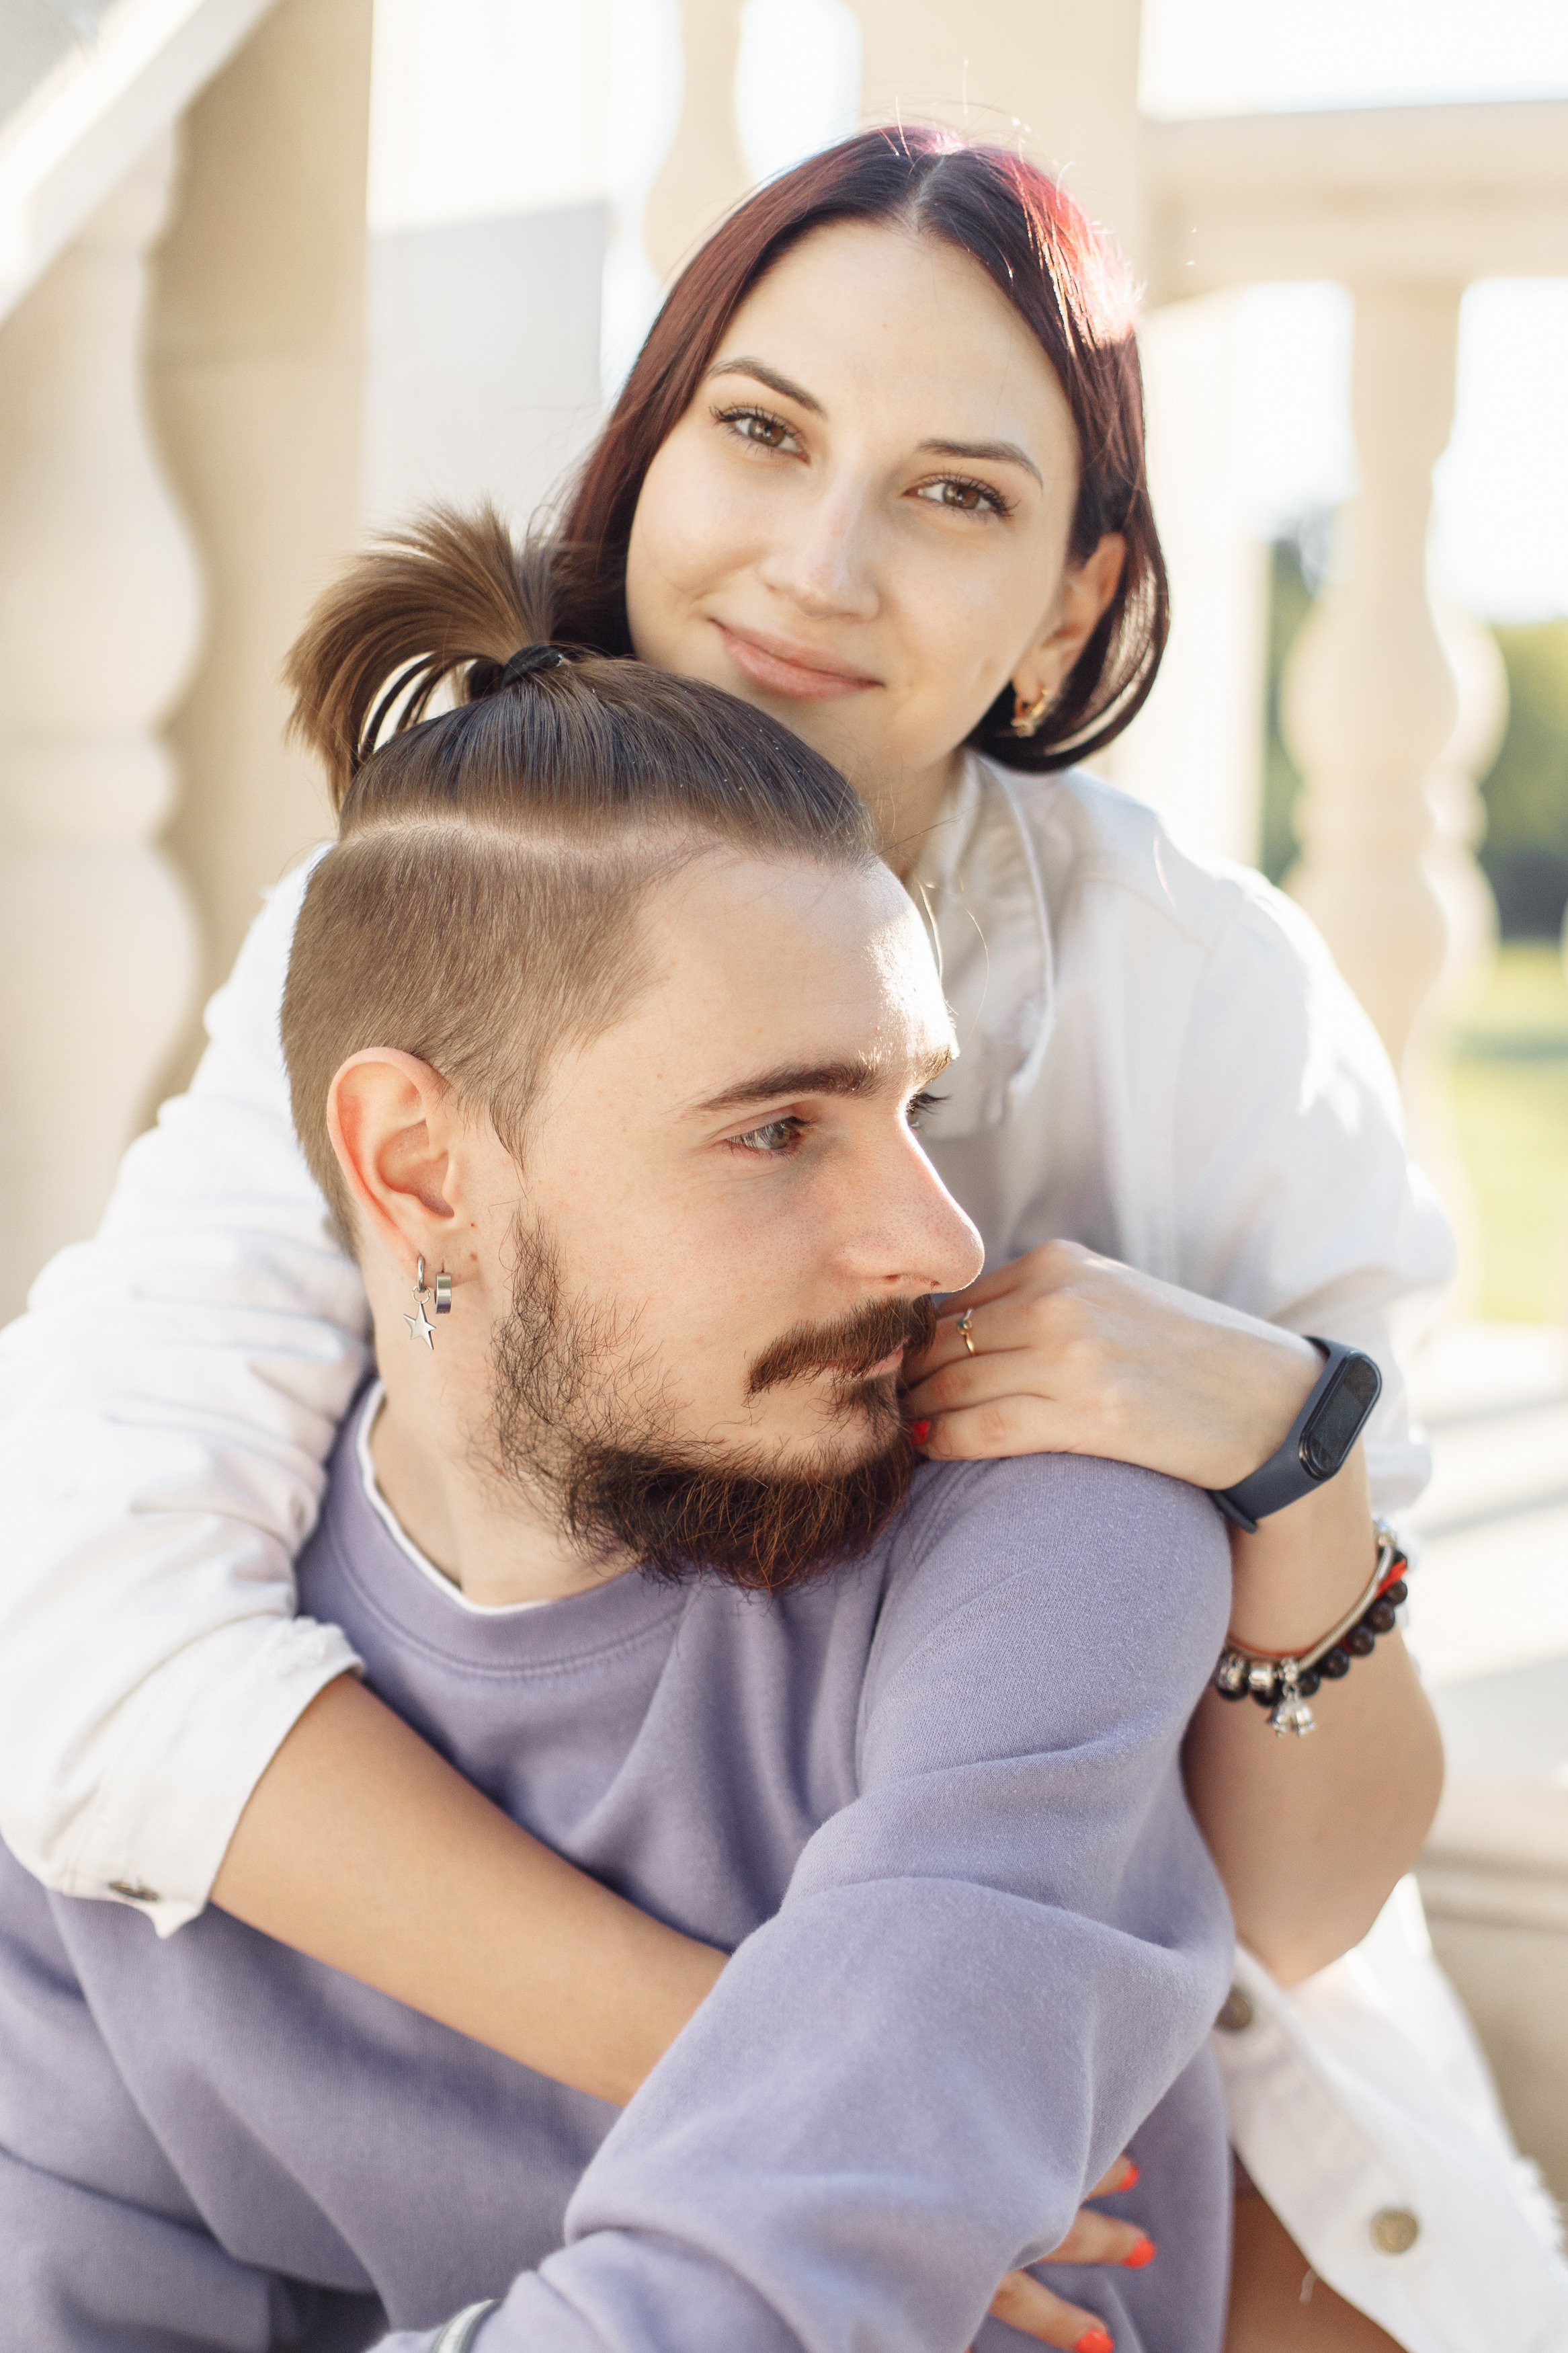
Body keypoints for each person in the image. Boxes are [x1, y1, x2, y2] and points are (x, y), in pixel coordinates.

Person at [0, 126, 1561, 2350]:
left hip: (1127, 2067)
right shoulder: (405, 948)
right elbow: (86, 1615)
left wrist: (1285, 1454)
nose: (815, 564)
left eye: (958, 493)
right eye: (760, 430)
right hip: (685, 2021)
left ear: (1081, 603)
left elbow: (1295, 1903)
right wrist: (799, 2064)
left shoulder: (1207, 1010)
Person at [0, 513, 1237, 2353]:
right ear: (419, 1166)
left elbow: (768, 2303)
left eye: (912, 1102)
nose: (938, 1239)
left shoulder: (1049, 1540)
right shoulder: (104, 1750)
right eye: (778, 1128)